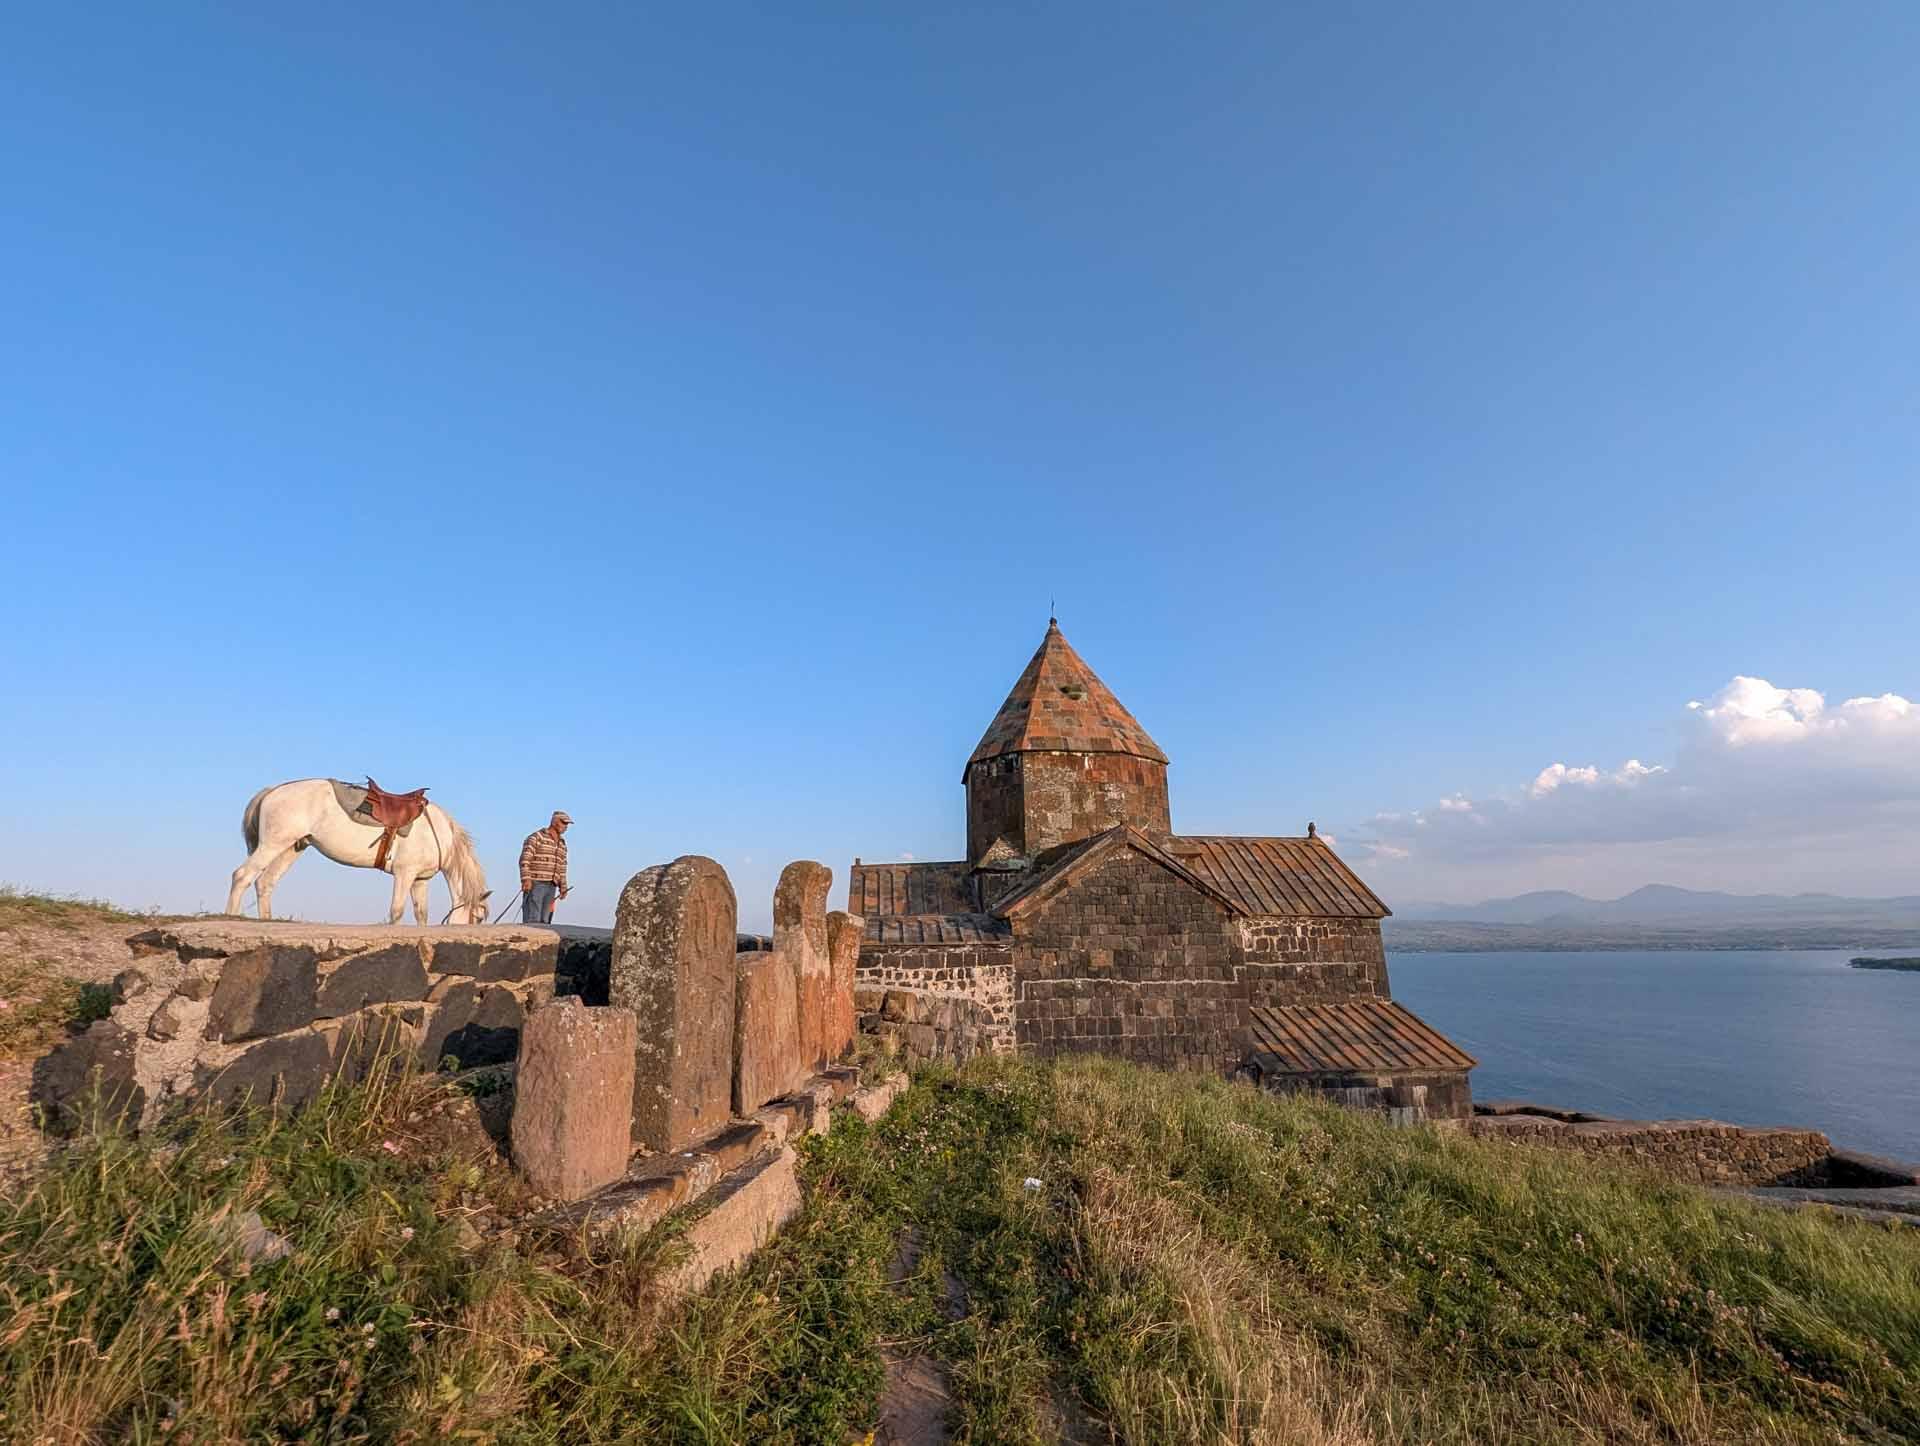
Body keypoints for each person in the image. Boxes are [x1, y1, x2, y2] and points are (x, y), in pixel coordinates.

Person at [518, 810, 571, 923]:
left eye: (567, 824)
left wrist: (563, 886)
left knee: (545, 920)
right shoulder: (537, 837)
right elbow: (525, 859)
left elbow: (562, 866)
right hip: (536, 883)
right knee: (533, 918)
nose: (566, 826)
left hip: (552, 886)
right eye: (563, 822)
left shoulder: (562, 844)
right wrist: (526, 879)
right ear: (554, 822)